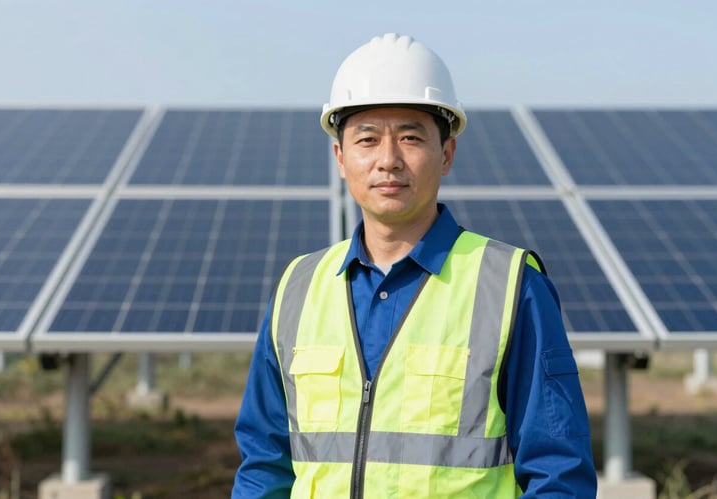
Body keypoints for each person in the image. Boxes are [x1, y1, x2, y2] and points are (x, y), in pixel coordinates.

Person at [232, 33, 597, 498]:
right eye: (367, 139)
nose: (388, 160)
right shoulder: (297, 288)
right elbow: (264, 465)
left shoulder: (511, 285)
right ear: (341, 158)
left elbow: (558, 472)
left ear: (446, 154)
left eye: (410, 137)